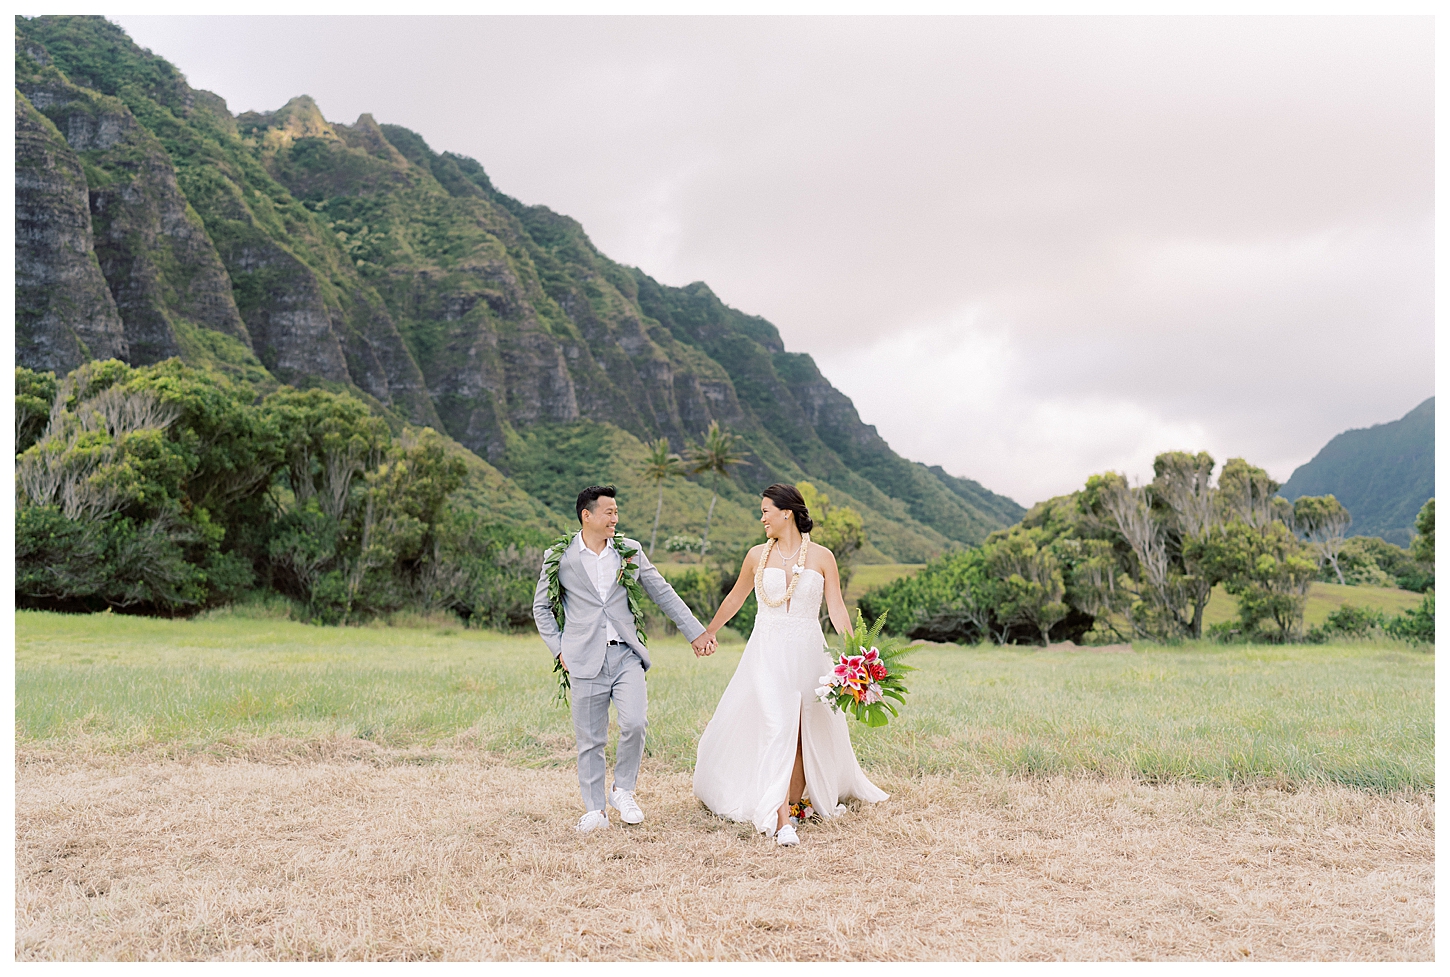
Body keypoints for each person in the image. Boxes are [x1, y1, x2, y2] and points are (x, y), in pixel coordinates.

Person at [691, 483, 887, 846]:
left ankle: (796, 802)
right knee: (777, 724)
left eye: (766, 510)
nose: (762, 516)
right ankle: (781, 820)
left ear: (787, 512)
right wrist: (708, 632)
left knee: (803, 732)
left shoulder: (823, 557)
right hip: (766, 650)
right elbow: (736, 597)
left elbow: (837, 608)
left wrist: (856, 654)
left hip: (809, 652)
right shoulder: (755, 556)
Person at [533, 485, 717, 834]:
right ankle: (595, 810)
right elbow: (541, 606)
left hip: (625, 654)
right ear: (587, 516)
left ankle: (623, 790)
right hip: (583, 658)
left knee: (634, 723)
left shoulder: (629, 551)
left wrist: (696, 632)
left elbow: (663, 592)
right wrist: (559, 650)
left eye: (617, 512)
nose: (615, 518)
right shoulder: (560, 556)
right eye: (609, 512)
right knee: (590, 740)